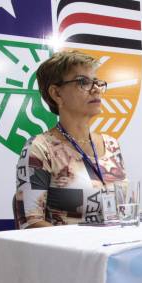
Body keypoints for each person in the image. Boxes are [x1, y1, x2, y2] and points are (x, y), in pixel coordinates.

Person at [15, 50, 127, 228]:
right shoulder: (40, 148)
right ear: (56, 94)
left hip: (113, 248)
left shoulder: (111, 144)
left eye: (96, 82)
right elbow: (31, 223)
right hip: (71, 254)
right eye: (83, 82)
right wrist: (83, 248)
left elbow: (125, 211)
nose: (96, 89)